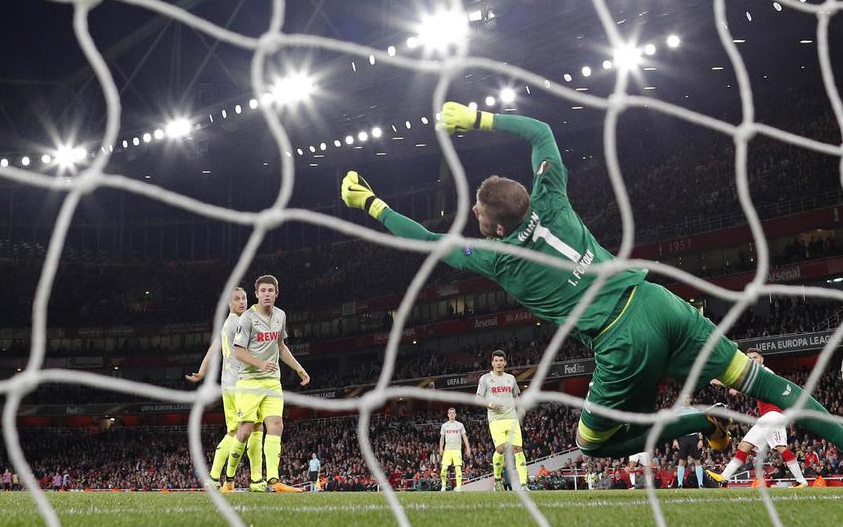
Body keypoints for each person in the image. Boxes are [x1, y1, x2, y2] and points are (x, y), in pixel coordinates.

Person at [340, 102, 843, 460]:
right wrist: (478, 119)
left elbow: (427, 241)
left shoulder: (497, 258)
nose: (474, 211)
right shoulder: (551, 196)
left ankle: (693, 420)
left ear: (495, 226)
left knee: (590, 445)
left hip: (619, 342)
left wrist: (371, 204)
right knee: (767, 385)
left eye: (478, 209)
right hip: (658, 301)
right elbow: (540, 131)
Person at [223, 275, 310, 493]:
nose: (267, 294)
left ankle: (274, 481)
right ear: (257, 294)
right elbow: (239, 351)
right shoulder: (247, 318)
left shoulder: (281, 315)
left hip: (272, 382)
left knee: (276, 425)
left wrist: (298, 368)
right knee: (244, 431)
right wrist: (260, 363)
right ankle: (229, 480)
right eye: (263, 290)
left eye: (271, 290)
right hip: (249, 382)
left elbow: (280, 346)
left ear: (276, 293)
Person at [186, 287, 264, 492]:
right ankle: (253, 479)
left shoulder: (228, 324)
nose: (242, 302)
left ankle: (215, 478)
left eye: (244, 298)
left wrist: (202, 372)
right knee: (253, 429)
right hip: (241, 385)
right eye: (237, 299)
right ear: (229, 303)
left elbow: (214, 347)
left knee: (237, 431)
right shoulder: (240, 323)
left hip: (229, 386)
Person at [708, 349, 809, 488]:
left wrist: (725, 384)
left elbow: (746, 382)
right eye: (749, 358)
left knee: (781, 447)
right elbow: (745, 382)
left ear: (762, 360)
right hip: (766, 418)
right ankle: (724, 477)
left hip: (774, 415)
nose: (752, 360)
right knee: (744, 446)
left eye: (755, 357)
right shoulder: (754, 374)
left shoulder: (765, 372)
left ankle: (801, 481)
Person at [476, 351, 527, 489]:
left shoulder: (511, 378)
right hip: (496, 419)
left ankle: (524, 484)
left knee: (518, 448)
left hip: (511, 418)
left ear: (505, 362)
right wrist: (490, 404)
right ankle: (497, 480)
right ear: (492, 363)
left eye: (501, 360)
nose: (498, 363)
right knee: (501, 448)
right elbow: (478, 398)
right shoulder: (485, 379)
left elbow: (516, 396)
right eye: (496, 360)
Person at [438, 406, 471, 491]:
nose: (452, 415)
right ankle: (443, 486)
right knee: (444, 469)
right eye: (450, 413)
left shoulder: (460, 425)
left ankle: (459, 487)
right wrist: (441, 448)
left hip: (457, 450)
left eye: (453, 413)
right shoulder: (444, 426)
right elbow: (442, 438)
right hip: (447, 450)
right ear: (448, 415)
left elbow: (464, 437)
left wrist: (468, 448)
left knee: (458, 468)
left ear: (455, 414)